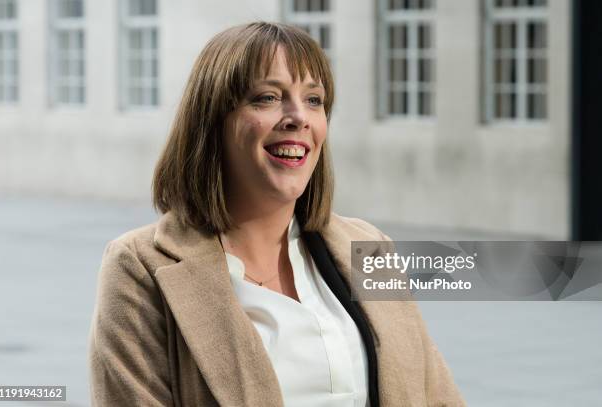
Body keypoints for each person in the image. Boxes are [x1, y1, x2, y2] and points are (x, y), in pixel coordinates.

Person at [88, 22, 465, 407]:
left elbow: (436, 394)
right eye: (267, 97)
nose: (298, 117)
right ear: (212, 120)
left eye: (314, 100)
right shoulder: (138, 267)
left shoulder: (367, 247)